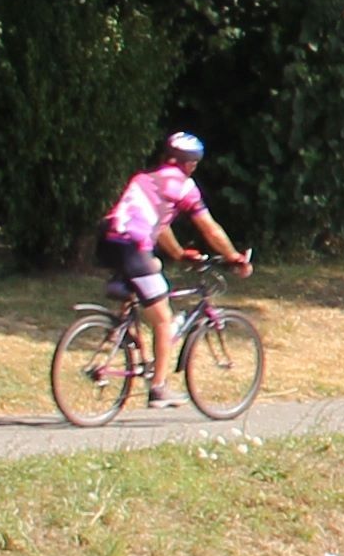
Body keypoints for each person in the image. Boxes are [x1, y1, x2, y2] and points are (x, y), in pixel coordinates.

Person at [98, 131, 247, 397]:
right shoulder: (183, 186)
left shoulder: (146, 179)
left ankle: (121, 326)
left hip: (108, 243)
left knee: (152, 267)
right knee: (163, 319)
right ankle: (159, 388)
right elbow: (209, 229)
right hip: (133, 249)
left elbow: (160, 225)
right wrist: (233, 257)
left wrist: (178, 253)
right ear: (189, 164)